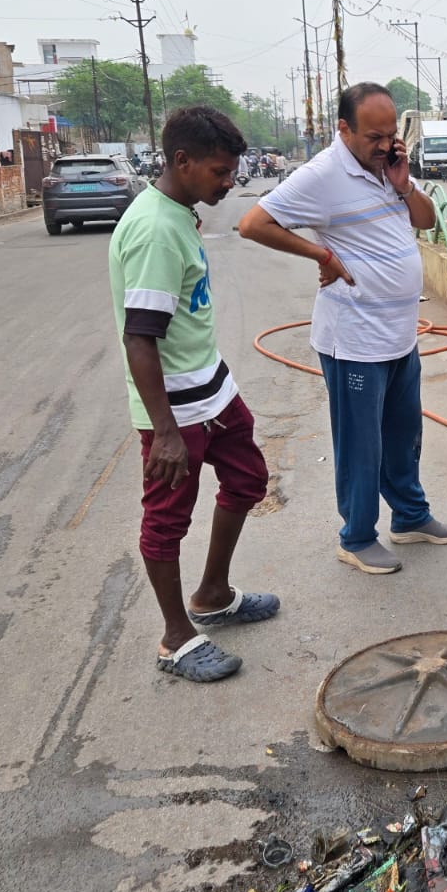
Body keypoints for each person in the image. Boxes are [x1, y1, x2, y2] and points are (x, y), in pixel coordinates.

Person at [239, 82, 447, 575]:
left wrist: (404, 183)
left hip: (399, 333)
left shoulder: (388, 169)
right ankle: (357, 537)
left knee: (404, 435)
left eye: (390, 135)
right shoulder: (322, 174)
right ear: (343, 129)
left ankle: (410, 517)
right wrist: (321, 254)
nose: (384, 145)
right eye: (373, 137)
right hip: (355, 339)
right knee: (361, 445)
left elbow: (426, 221)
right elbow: (254, 224)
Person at [109, 106, 280, 682]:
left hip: (212, 391)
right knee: (166, 520)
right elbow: (139, 337)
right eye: (219, 171)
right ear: (182, 161)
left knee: (248, 479)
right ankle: (175, 637)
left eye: (231, 171)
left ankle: (212, 594)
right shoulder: (156, 231)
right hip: (175, 411)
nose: (229, 182)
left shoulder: (178, 213)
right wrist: (164, 432)